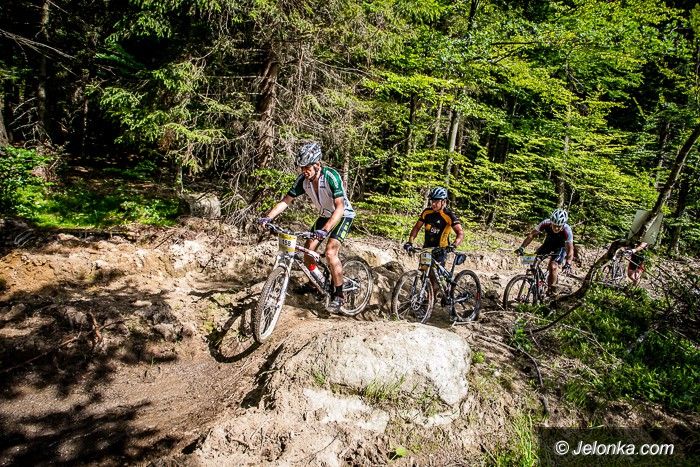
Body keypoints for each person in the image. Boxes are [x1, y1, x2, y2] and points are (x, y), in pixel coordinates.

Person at [258, 142, 355, 312]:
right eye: (302, 167)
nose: (304, 171)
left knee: (330, 252)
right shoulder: (303, 181)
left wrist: (324, 231)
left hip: (342, 215)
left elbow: (339, 207)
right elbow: (286, 201)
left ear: (317, 164)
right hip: (324, 215)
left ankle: (339, 295)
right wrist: (268, 217)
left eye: (307, 167)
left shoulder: (331, 176)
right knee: (308, 253)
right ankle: (315, 283)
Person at [516, 208, 574, 294]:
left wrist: (568, 263)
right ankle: (536, 282)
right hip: (548, 244)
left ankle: (551, 291)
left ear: (563, 225)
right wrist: (522, 247)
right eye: (554, 225)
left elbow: (570, 249)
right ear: (551, 222)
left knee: (553, 266)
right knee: (530, 260)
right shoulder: (545, 223)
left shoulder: (567, 230)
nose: (556, 228)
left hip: (560, 247)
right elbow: (532, 235)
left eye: (559, 226)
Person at [403, 186, 464, 256]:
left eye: (436, 201)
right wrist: (410, 242)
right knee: (423, 263)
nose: (433, 204)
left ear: (443, 202)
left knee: (436, 264)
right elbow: (417, 227)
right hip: (426, 249)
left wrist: (454, 245)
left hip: (441, 251)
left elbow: (460, 232)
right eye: (432, 201)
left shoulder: (449, 215)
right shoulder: (426, 212)